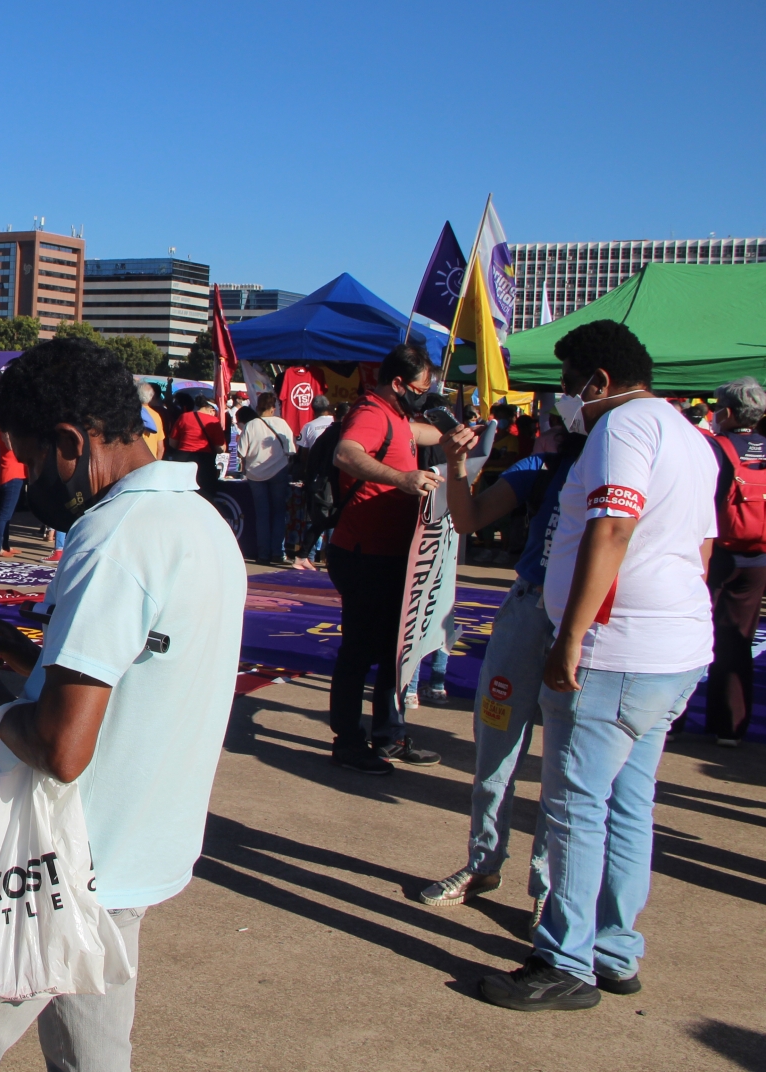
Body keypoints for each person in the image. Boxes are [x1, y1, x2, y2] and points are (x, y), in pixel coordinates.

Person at [0, 336, 247, 1070]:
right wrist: (33, 658)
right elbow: (137, 678)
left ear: (71, 442)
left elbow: (62, 750)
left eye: (31, 460)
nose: (28, 479)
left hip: (60, 863)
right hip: (134, 854)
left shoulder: (113, 538)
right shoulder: (201, 522)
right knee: (92, 1057)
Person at [479, 321, 716, 1011]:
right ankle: (614, 948)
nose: (565, 399)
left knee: (575, 806)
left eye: (568, 384)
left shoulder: (622, 427)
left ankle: (564, 959)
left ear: (599, 382)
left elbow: (612, 526)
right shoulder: (689, 435)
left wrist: (572, 636)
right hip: (671, 647)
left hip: (618, 651)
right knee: (630, 802)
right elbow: (702, 547)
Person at [418, 412, 585, 914]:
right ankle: (483, 861)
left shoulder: (628, 471)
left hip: (586, 620)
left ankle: (548, 887)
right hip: (527, 609)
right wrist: (456, 463)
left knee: (565, 763)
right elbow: (468, 519)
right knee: (496, 742)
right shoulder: (544, 466)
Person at [326, 341, 450, 774]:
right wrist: (402, 478)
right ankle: (348, 741)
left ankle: (389, 737)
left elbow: (420, 433)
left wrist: (458, 434)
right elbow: (347, 453)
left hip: (394, 554)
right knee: (359, 651)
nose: (423, 396)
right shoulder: (372, 413)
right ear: (398, 383)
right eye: (419, 389)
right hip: (365, 554)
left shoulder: (396, 416)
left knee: (397, 649)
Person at [702, 377, 766, 747]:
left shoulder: (714, 447)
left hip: (715, 551)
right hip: (758, 557)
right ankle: (730, 727)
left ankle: (672, 722)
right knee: (738, 639)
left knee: (694, 630)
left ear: (726, 411)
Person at [238, 391, 296, 565]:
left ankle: (263, 554)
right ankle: (277, 552)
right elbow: (291, 450)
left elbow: (241, 452)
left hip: (255, 474)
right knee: (278, 513)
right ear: (273, 408)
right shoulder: (282, 424)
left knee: (261, 514)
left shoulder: (251, 425)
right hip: (279, 471)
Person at [165, 390, 224, 498]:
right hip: (204, 462)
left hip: (182, 459)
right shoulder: (214, 421)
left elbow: (172, 442)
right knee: (205, 495)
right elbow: (220, 448)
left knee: (179, 493)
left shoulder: (184, 417)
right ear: (212, 410)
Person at [0, 426, 25, 556]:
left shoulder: (9, 431)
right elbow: (12, 447)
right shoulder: (8, 432)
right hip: (12, 475)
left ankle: (5, 545)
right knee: (5, 514)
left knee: (8, 514)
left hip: (13, 475)